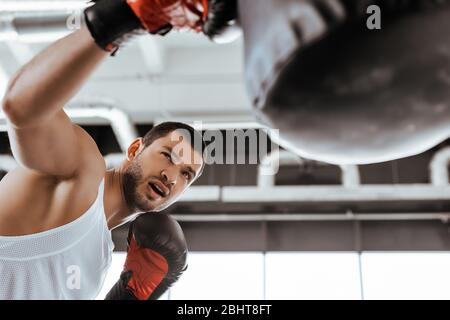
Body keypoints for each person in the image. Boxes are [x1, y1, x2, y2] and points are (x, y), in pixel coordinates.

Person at [0, 0, 215, 299]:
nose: (171, 176)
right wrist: (118, 20)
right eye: (168, 155)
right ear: (136, 148)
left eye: (186, 175)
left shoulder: (99, 262)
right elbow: (20, 106)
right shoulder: (84, 169)